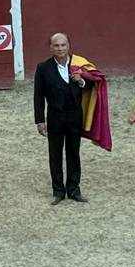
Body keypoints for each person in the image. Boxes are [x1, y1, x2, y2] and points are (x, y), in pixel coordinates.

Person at [34, 33, 95, 205]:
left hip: (75, 114)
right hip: (55, 115)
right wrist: (40, 120)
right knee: (55, 153)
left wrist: (81, 81)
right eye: (56, 46)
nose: (60, 49)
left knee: (73, 152)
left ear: (69, 46)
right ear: (50, 47)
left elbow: (92, 83)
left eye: (63, 45)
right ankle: (58, 191)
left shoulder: (79, 65)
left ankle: (74, 190)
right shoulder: (44, 68)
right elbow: (38, 95)